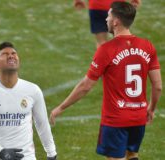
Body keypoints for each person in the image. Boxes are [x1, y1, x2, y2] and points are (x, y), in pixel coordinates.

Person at [50, 2, 161, 160]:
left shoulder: (106, 49)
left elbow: (86, 86)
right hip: (138, 117)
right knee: (132, 155)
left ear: (116, 21)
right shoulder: (147, 46)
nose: (106, 19)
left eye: (108, 15)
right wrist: (151, 109)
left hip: (115, 120)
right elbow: (157, 87)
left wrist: (61, 107)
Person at [0, 42, 57, 160]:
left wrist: (51, 153)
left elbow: (42, 124)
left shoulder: (33, 90)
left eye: (14, 53)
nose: (11, 56)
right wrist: (1, 152)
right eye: (5, 54)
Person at [73, 0, 141, 48]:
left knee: (101, 42)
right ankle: (121, 65)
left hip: (96, 6)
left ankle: (103, 67)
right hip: (117, 6)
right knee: (122, 39)